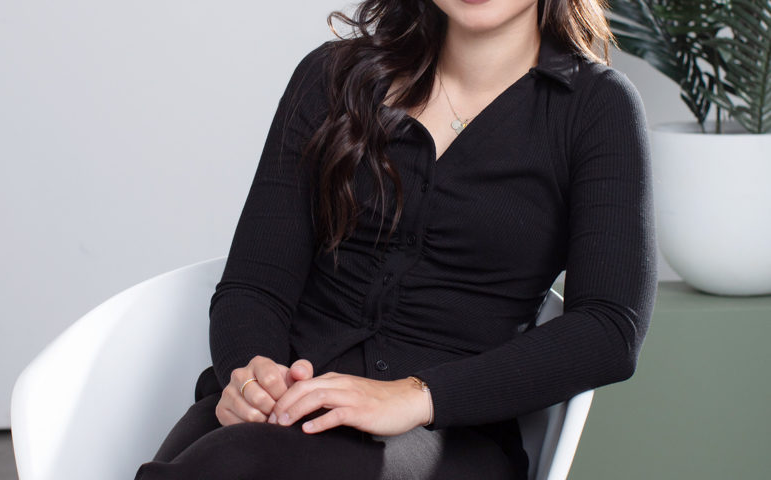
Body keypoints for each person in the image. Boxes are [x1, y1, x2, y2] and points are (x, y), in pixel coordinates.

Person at [135, 0, 657, 478]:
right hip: (280, 411)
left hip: (446, 436)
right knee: (232, 458)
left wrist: (415, 396)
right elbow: (255, 284)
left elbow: (609, 328)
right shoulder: (332, 77)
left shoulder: (597, 109)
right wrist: (252, 377)